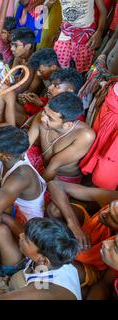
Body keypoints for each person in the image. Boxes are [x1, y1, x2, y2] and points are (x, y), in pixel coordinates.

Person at [0, 217, 82, 300]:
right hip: (21, 279)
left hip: (29, 287)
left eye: (26, 240)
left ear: (43, 260)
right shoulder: (54, 256)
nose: (21, 236)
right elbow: (3, 218)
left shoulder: (44, 289)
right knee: (1, 230)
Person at [47, 181, 118, 289]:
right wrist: (74, 225)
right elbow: (55, 184)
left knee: (61, 268)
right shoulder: (114, 198)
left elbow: (105, 284)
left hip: (93, 267)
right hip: (87, 226)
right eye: (109, 206)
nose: (104, 213)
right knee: (55, 209)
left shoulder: (112, 250)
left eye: (112, 218)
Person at [27, 92, 96, 183]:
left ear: (67, 125)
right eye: (44, 111)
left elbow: (54, 165)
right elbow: (25, 145)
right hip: (42, 162)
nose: (43, 118)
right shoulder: (42, 116)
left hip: (61, 178)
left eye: (50, 118)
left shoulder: (85, 135)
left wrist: (34, 190)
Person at [79, 36, 118, 190]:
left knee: (105, 169)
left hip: (113, 115)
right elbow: (114, 37)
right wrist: (103, 56)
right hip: (108, 101)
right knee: (94, 146)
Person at [49, 0, 107, 73]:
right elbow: (50, 6)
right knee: (60, 70)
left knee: (84, 71)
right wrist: (58, 30)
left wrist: (99, 32)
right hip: (65, 35)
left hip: (86, 38)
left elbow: (103, 11)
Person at [18, 48, 61, 116]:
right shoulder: (46, 74)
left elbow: (57, 114)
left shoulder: (62, 85)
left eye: (40, 71)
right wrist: (26, 98)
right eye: (37, 71)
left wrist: (41, 104)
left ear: (53, 67)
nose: (38, 74)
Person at [10, 27, 37, 94]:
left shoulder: (33, 61)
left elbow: (24, 87)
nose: (11, 48)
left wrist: (5, 93)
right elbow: (10, 76)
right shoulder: (19, 57)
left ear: (27, 46)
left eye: (15, 45)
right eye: (11, 44)